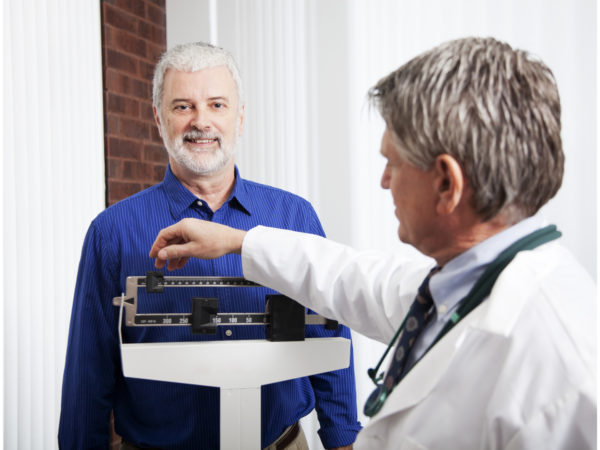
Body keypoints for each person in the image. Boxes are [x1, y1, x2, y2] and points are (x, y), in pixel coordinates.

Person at [149, 37, 597, 449]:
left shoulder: (560, 370)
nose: (383, 181)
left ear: (446, 183)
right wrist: (238, 242)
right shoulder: (465, 284)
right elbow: (350, 279)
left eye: (393, 162)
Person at [58, 42, 361, 450]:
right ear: (158, 118)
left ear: (240, 117)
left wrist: (342, 439)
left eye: (217, 105)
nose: (201, 122)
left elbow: (330, 333)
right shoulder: (112, 231)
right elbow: (88, 368)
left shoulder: (295, 217)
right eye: (182, 106)